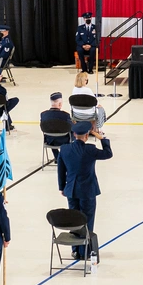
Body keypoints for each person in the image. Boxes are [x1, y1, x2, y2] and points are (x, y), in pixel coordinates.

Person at [57, 121, 113, 259]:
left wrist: (62, 187)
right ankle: (85, 250)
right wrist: (103, 139)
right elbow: (108, 154)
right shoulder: (90, 149)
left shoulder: (64, 149)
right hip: (87, 190)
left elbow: (61, 170)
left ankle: (75, 249)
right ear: (87, 135)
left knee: (74, 219)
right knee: (87, 219)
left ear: (74, 134)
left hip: (71, 190)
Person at [40, 92, 72, 162]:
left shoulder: (43, 115)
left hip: (49, 141)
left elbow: (43, 128)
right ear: (60, 104)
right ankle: (66, 156)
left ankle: (57, 157)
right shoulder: (65, 116)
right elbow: (71, 128)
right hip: (64, 141)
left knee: (51, 132)